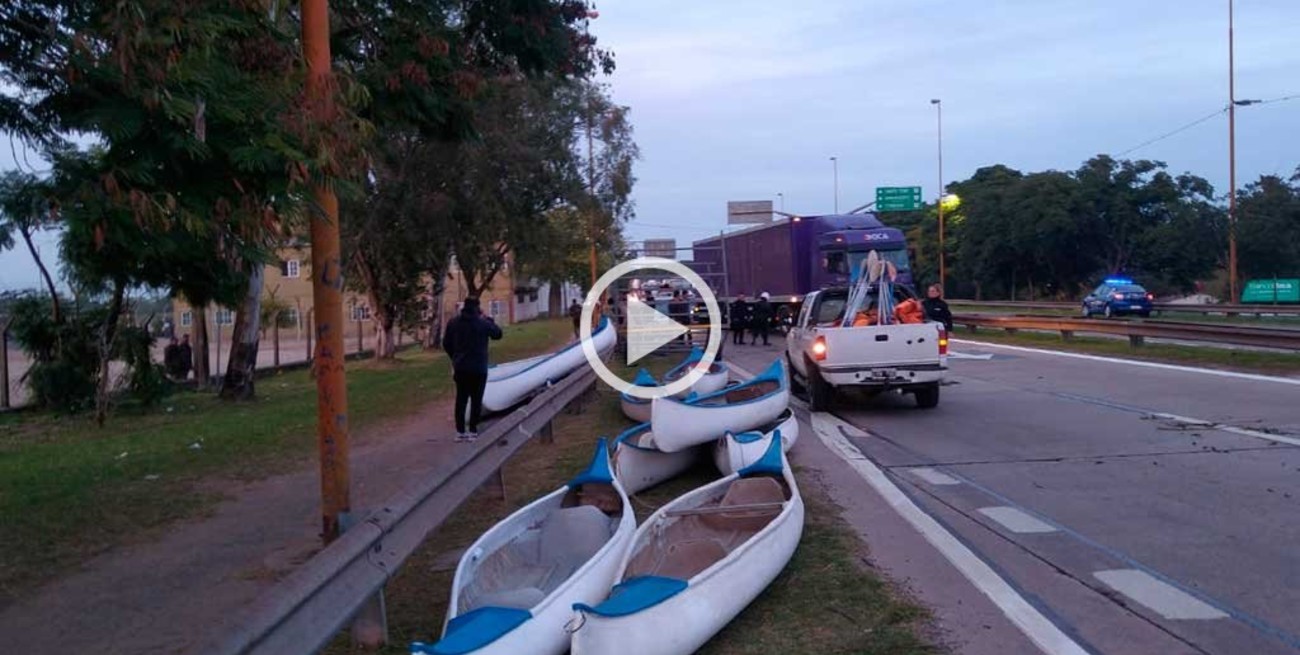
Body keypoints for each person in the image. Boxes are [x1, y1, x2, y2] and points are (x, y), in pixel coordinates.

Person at [443, 296, 503, 442]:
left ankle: (460, 431)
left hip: (461, 367)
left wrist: (455, 358)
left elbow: (446, 343)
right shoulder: (482, 323)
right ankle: (473, 430)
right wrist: (488, 319)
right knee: (476, 399)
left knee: (461, 399)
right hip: (478, 368)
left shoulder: (454, 322)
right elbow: (498, 334)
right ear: (478, 307)